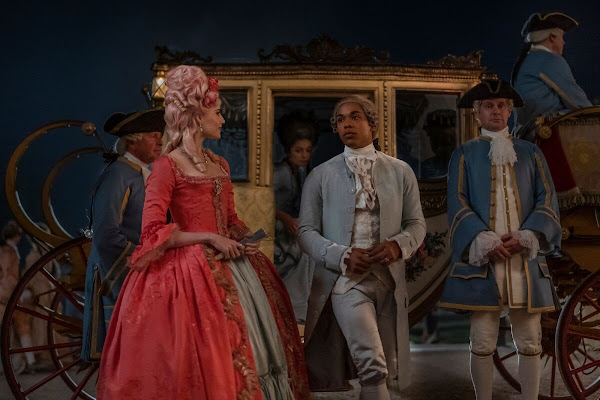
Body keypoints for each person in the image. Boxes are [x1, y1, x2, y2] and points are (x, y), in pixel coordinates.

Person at [97, 65, 310, 400]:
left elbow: (230, 218)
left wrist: (242, 237)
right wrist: (209, 237)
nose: (222, 119)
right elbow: (152, 232)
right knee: (202, 355)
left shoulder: (220, 164)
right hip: (189, 273)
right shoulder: (166, 166)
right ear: (197, 116)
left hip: (235, 268)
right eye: (218, 112)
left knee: (258, 351)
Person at [439, 80, 561, 400]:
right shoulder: (464, 154)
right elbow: (457, 202)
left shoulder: (531, 153)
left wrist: (528, 236)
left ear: (510, 111)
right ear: (476, 113)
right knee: (482, 341)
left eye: (502, 105)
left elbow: (547, 199)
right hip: (484, 261)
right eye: (488, 106)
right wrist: (483, 240)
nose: (496, 110)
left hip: (525, 261)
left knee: (530, 341)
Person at [299, 95, 426, 399]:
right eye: (340, 119)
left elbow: (416, 224)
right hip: (346, 283)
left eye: (355, 117)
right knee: (372, 365)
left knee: (387, 370)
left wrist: (397, 246)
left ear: (373, 125)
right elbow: (305, 233)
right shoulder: (321, 175)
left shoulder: (401, 171)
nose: (346, 124)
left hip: (389, 282)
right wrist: (341, 255)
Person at [80, 107, 165, 362]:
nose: (160, 141)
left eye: (160, 135)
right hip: (121, 270)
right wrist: (142, 257)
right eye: (153, 135)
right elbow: (106, 234)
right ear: (132, 141)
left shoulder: (140, 173)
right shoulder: (118, 174)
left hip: (144, 267)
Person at [512, 12, 592, 137]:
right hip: (547, 134)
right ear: (552, 37)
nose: (564, 42)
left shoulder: (526, 61)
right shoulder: (549, 60)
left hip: (526, 133)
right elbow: (578, 102)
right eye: (562, 37)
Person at [274, 110, 318, 323]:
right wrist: (284, 218)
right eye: (298, 150)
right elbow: (264, 202)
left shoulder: (302, 172)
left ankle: (302, 303)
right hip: (274, 225)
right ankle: (294, 303)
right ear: (288, 150)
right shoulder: (280, 172)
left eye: (307, 150)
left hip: (291, 225)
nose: (304, 155)